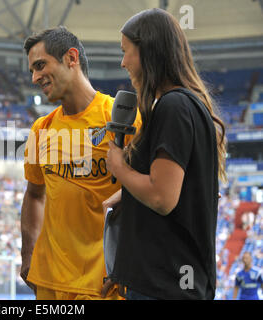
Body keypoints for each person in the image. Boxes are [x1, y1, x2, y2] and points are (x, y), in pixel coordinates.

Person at [102, 8, 227, 300]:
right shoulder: (186, 105)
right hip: (166, 283)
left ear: (148, 52)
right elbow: (180, 191)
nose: (122, 63)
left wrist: (120, 168)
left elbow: (162, 197)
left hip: (165, 287)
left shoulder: (173, 107)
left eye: (126, 52)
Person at [20, 26, 141, 300]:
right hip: (48, 281)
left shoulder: (123, 118)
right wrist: (27, 255)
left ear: (71, 58)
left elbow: (154, 193)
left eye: (40, 66)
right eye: (32, 71)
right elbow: (34, 195)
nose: (35, 77)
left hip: (105, 283)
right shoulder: (41, 128)